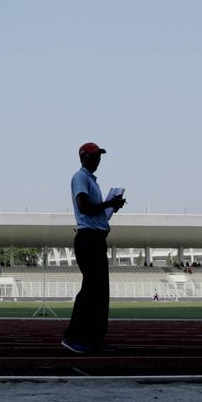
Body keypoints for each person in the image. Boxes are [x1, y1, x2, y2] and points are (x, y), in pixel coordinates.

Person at [61, 142, 126, 355]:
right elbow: (84, 207)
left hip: (96, 238)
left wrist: (111, 207)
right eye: (94, 156)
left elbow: (95, 213)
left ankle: (94, 338)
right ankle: (73, 337)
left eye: (99, 156)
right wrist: (108, 204)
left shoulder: (92, 182)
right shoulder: (80, 178)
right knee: (91, 290)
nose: (98, 159)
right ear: (84, 157)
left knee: (99, 292)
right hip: (88, 239)